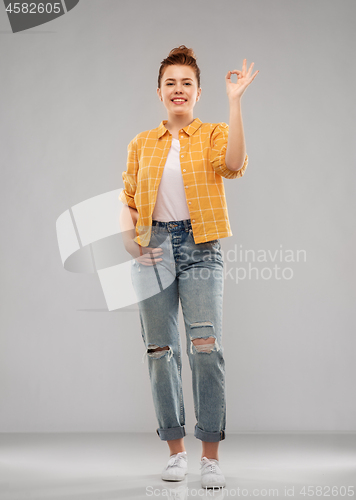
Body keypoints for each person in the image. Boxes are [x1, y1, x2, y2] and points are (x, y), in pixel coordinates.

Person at [119, 46, 258, 489]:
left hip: (201, 246)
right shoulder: (141, 143)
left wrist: (235, 102)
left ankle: (210, 457)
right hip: (154, 247)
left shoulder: (214, 133)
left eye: (187, 84)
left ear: (197, 92)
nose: (178, 90)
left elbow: (233, 165)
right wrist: (130, 239)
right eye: (170, 83)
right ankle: (176, 452)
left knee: (205, 348)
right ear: (159, 92)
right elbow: (128, 198)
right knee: (161, 352)